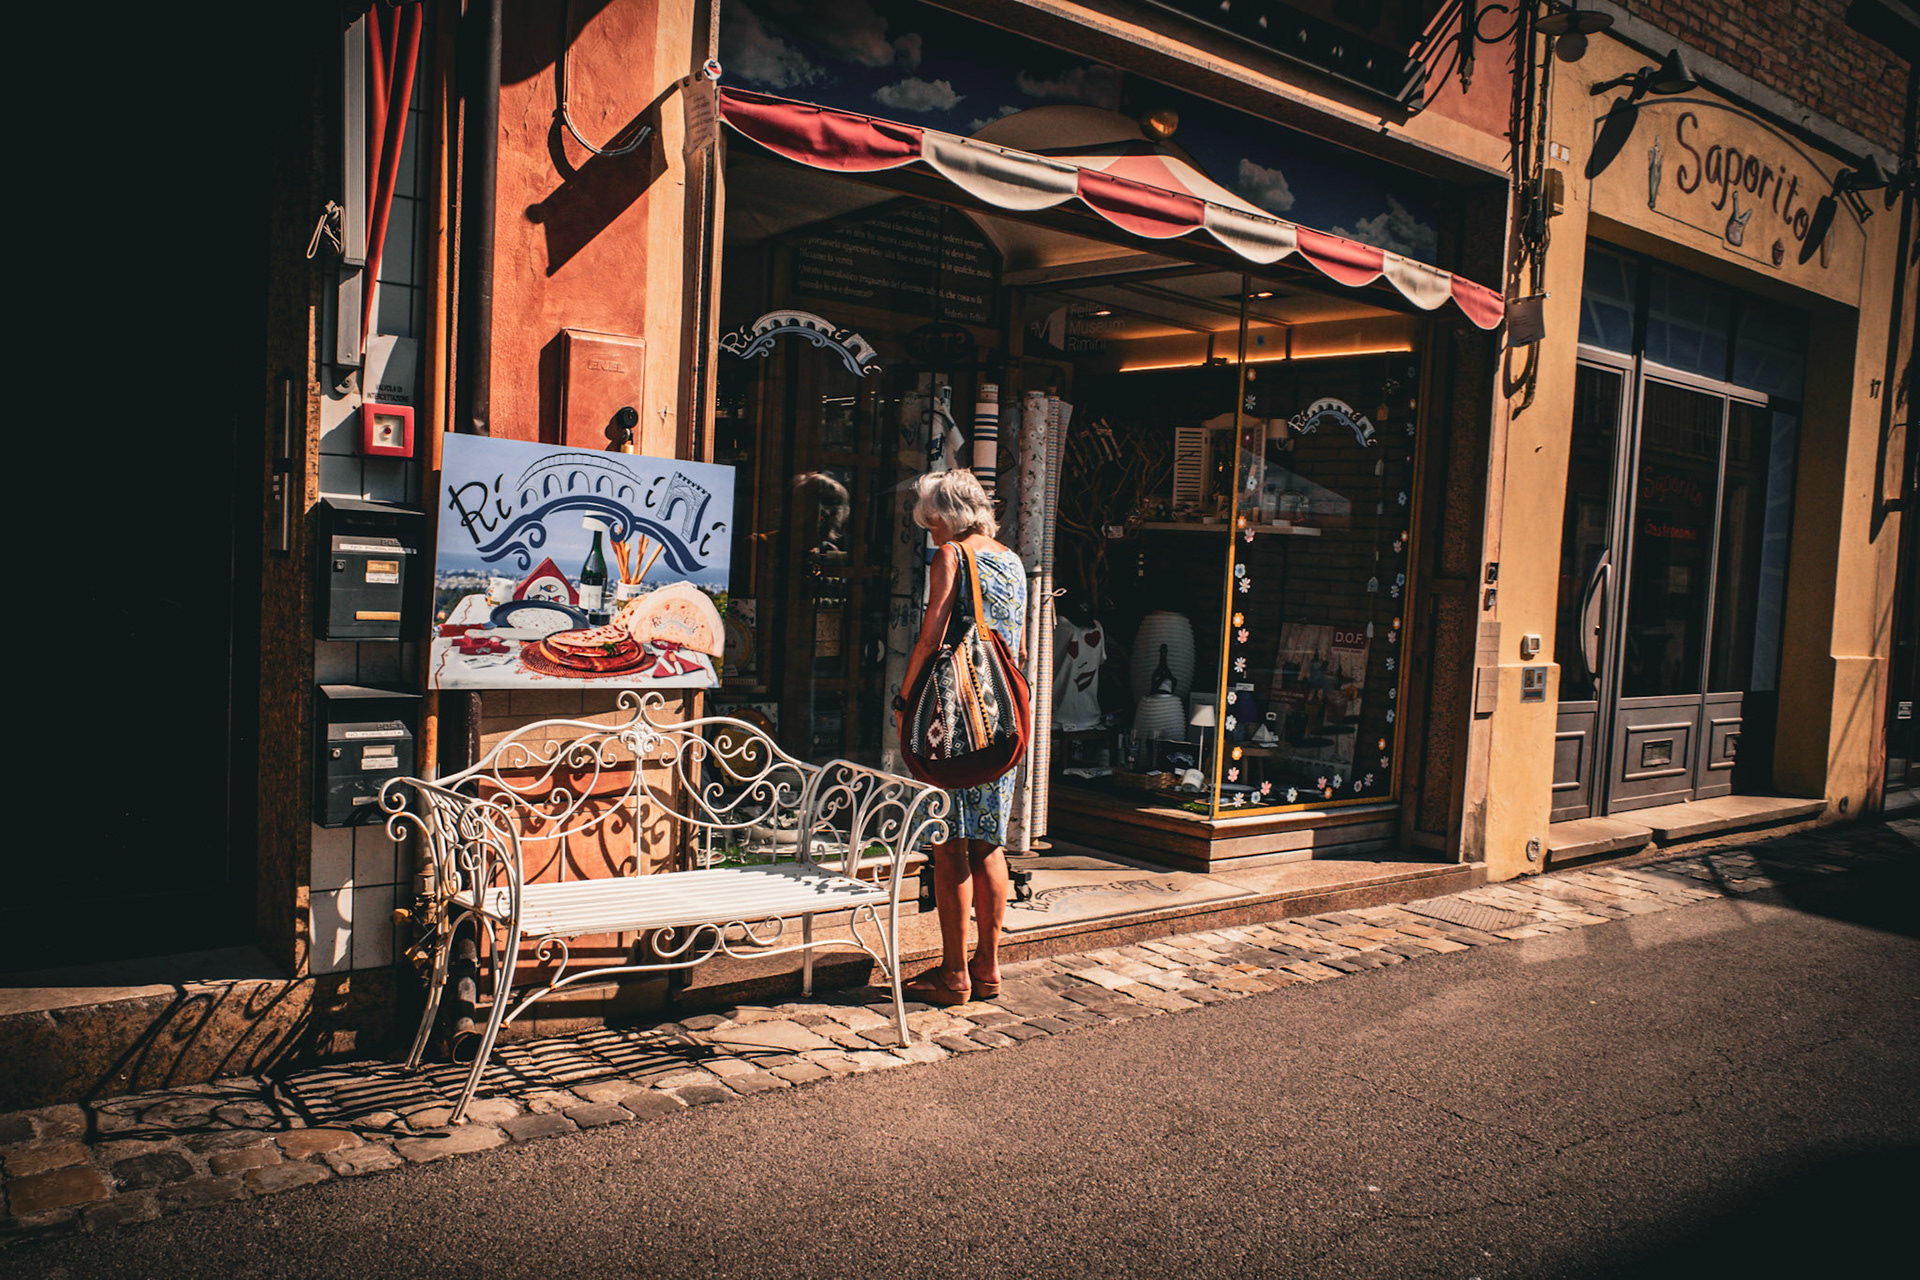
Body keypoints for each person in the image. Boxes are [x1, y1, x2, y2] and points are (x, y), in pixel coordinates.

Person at [894, 469, 1027, 1006]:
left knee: (950, 845)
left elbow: (932, 635)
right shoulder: (1012, 560)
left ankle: (952, 976)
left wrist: (904, 701)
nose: (931, 536)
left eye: (932, 524)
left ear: (948, 517)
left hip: (955, 722)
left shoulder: (951, 556)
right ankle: (988, 969)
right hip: (1003, 718)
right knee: (989, 843)